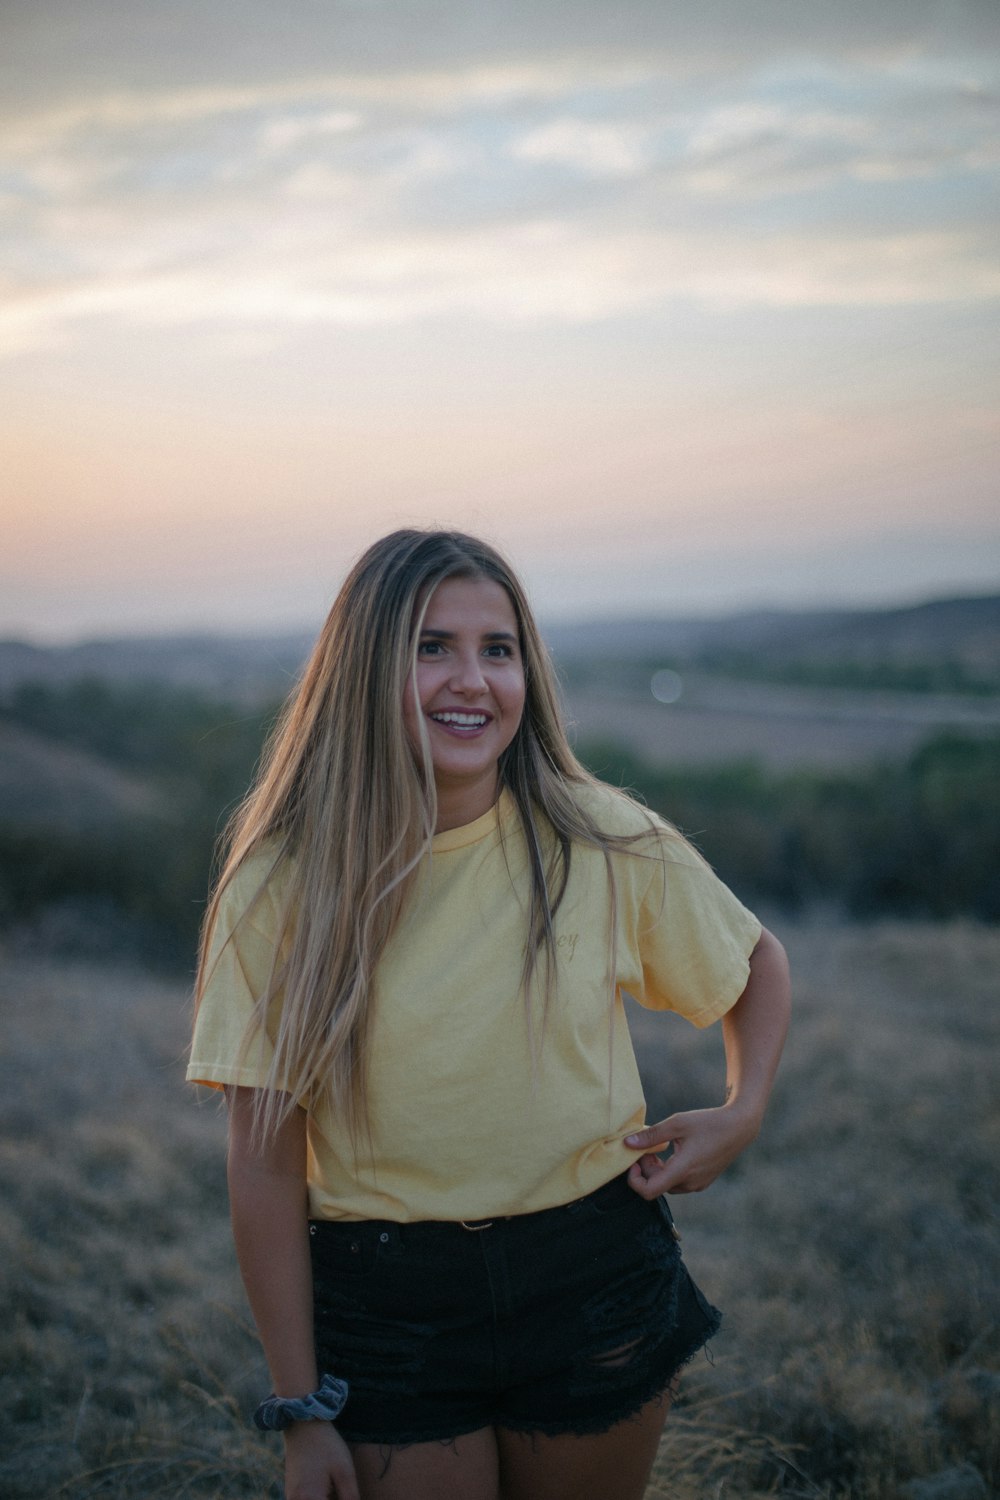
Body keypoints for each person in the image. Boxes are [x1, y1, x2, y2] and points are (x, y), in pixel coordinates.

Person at [187, 528, 790, 1500]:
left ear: (527, 673)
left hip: (590, 1274)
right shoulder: (281, 885)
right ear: (363, 667)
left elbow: (753, 961)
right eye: (430, 646)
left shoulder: (597, 839)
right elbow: (262, 1167)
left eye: (496, 649)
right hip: (388, 1300)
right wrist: (302, 1413)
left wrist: (743, 1105)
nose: (470, 678)